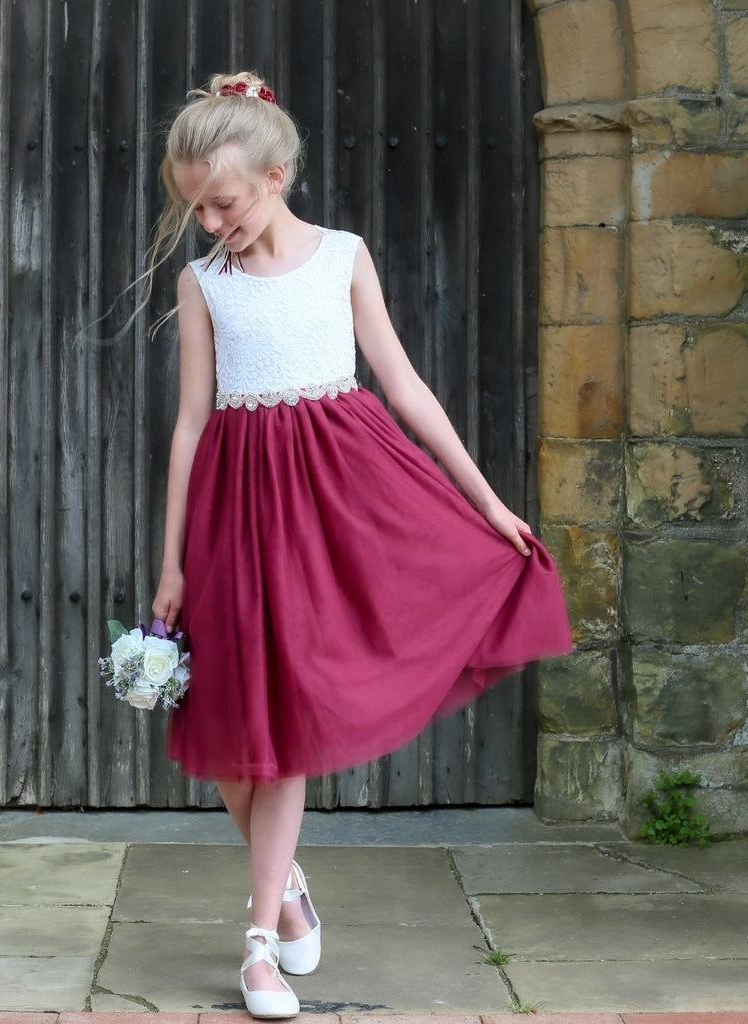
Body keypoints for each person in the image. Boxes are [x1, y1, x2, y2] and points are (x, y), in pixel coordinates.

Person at [149, 71, 571, 1019]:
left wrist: (491, 503)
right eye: (197, 209)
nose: (212, 224)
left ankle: (258, 944)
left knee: (284, 728)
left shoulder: (342, 255)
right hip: (234, 511)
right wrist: (171, 562)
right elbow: (188, 424)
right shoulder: (203, 282)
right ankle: (288, 884)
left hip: (340, 504)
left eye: (224, 202)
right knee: (223, 732)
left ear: (277, 173)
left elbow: (406, 386)